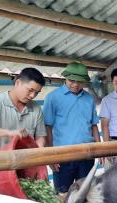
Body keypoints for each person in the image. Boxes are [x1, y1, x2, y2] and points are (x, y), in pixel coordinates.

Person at [43, 62, 100, 194]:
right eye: (71, 80)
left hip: (87, 154)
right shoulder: (53, 97)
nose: (75, 84)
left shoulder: (89, 99)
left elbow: (93, 125)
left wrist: (100, 149)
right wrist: (51, 155)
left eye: (79, 82)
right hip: (62, 155)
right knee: (62, 194)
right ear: (65, 78)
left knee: (86, 194)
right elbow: (47, 128)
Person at [0, 68, 47, 150]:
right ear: (18, 83)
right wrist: (9, 133)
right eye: (30, 90)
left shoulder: (36, 109)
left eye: (37, 92)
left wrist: (39, 151)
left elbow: (40, 136)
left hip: (22, 161)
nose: (32, 95)